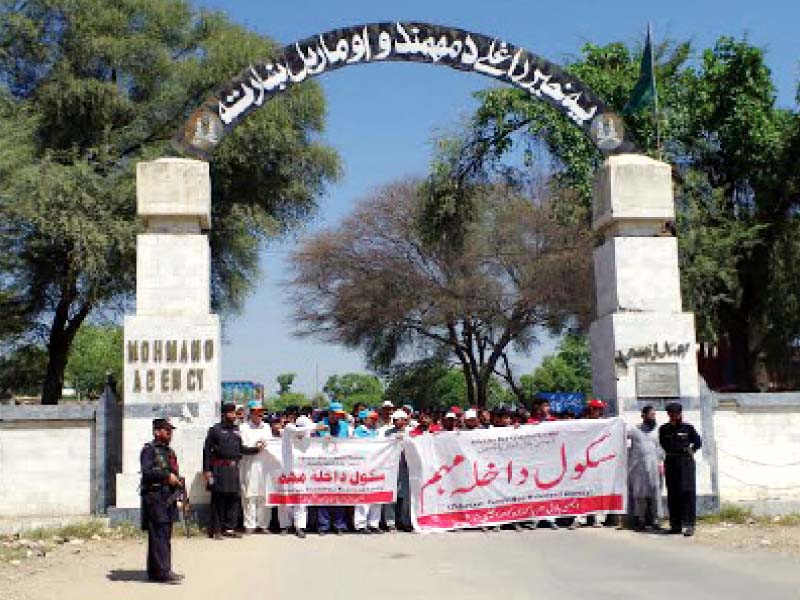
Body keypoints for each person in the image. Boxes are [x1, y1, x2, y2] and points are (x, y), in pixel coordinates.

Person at [203, 402, 265, 540]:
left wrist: (256, 449)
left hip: (233, 469)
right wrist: (207, 470)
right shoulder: (215, 430)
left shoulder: (236, 430)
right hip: (219, 468)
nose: (233, 415)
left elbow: (241, 449)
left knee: (233, 498)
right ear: (224, 414)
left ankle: (229, 528)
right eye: (230, 413)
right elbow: (206, 451)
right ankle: (216, 530)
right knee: (219, 499)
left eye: (234, 413)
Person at [140, 418, 183, 584]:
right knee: (160, 534)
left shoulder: (169, 452)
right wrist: (166, 477)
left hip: (168, 497)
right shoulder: (149, 450)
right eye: (166, 430)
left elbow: (174, 472)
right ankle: (164, 571)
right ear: (157, 431)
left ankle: (155, 571)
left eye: (170, 430)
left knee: (163, 534)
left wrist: (178, 484)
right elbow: (147, 472)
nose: (169, 433)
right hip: (155, 496)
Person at [659, 402, 702, 536]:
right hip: (671, 461)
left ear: (680, 414)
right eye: (671, 414)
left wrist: (691, 450)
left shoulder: (688, 428)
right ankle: (675, 524)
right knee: (673, 493)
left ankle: (689, 524)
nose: (673, 417)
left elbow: (698, 442)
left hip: (685, 462)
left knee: (687, 492)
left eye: (675, 414)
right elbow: (663, 444)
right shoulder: (664, 429)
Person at [315, 401, 352, 535]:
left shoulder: (344, 426)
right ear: (330, 413)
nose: (338, 417)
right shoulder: (321, 425)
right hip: (323, 465)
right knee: (324, 494)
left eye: (340, 414)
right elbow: (315, 442)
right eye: (336, 414)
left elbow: (350, 442)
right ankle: (323, 525)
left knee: (339, 494)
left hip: (340, 465)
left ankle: (339, 524)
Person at [627, 406, 665, 531]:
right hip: (638, 468)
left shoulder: (659, 430)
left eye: (654, 415)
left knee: (656, 494)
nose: (653, 417)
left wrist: (661, 463)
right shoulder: (634, 430)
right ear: (643, 416)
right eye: (650, 415)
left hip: (655, 466)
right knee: (640, 495)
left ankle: (656, 519)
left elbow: (661, 448)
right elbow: (619, 436)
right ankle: (640, 520)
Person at [239, 400, 273, 534]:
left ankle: (263, 525)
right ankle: (250, 525)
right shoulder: (243, 428)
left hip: (265, 466)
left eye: (261, 412)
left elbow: (272, 444)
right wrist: (256, 445)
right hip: (249, 466)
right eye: (257, 412)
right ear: (251, 413)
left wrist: (266, 444)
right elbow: (242, 446)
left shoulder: (266, 427)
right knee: (249, 496)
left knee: (264, 496)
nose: (259, 415)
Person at [352, 410, 384, 534]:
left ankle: (373, 523)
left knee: (376, 495)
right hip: (363, 468)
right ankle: (360, 524)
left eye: (375, 419)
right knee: (363, 497)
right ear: (364, 419)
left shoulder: (376, 432)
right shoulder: (358, 432)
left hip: (377, 467)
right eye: (371, 419)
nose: (374, 421)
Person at [384, 409, 412, 531]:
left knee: (406, 495)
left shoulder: (411, 433)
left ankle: (404, 521)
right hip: (391, 467)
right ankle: (390, 522)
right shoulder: (387, 433)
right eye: (396, 420)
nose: (399, 422)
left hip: (407, 467)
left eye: (401, 419)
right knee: (390, 494)